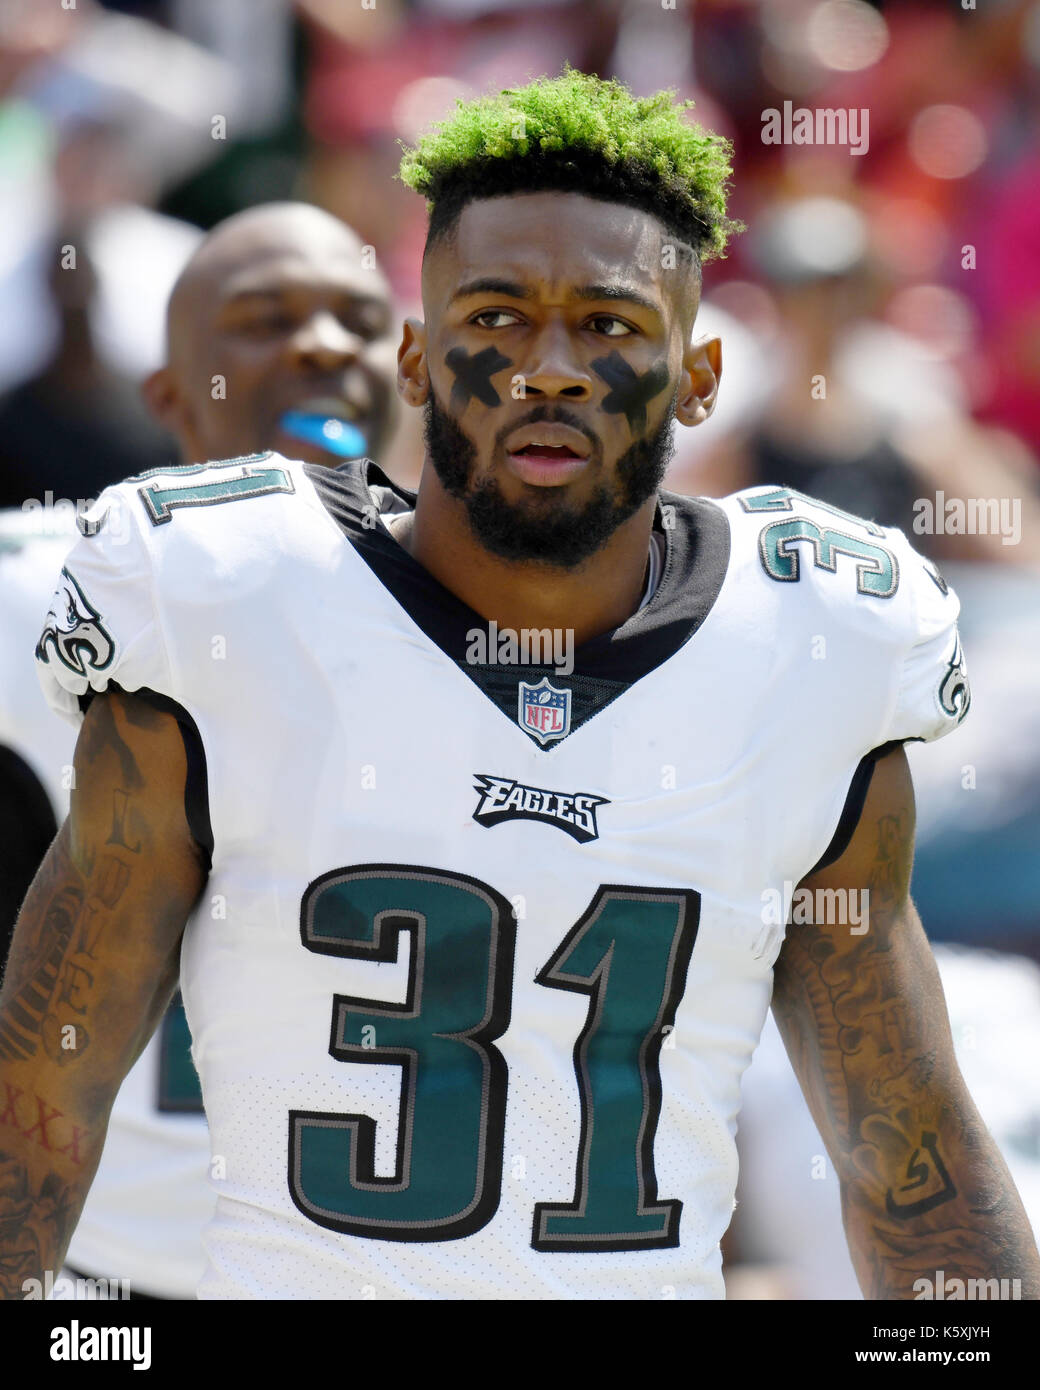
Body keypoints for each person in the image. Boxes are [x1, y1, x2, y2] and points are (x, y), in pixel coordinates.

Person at [4, 70, 1038, 1300]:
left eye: (607, 324)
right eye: (493, 317)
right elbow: (39, 1102)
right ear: (416, 356)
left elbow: (905, 1145)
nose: (547, 368)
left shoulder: (812, 639)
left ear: (701, 376)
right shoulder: (222, 598)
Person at [0, 201, 398, 1299]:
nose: (320, 345)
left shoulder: (496, 619)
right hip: (105, 1273)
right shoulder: (45, 584)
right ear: (169, 396)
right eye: (264, 320)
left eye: (357, 320)